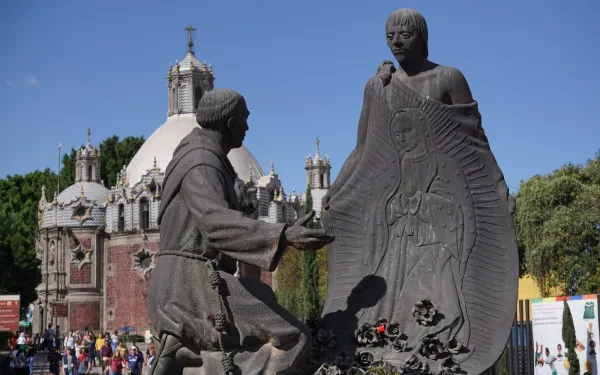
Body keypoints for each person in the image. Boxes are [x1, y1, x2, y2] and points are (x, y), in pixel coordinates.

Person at [148, 88, 333, 375]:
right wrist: (283, 235)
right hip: (188, 283)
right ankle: (190, 361)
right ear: (230, 123)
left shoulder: (201, 157)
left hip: (187, 278)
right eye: (244, 120)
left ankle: (185, 358)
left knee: (264, 297)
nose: (247, 127)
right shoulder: (201, 161)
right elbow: (216, 222)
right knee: (293, 338)